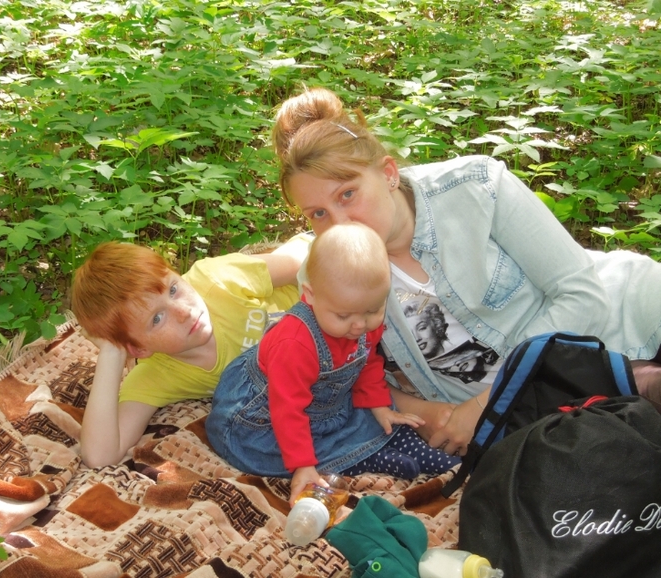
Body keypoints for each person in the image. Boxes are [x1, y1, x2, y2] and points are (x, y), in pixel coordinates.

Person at [270, 86, 661, 457]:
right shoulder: (326, 272)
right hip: (542, 412)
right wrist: (427, 413)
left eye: (347, 194)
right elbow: (339, 375)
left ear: (388, 173)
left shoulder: (475, 188)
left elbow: (581, 293)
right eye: (318, 213)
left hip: (626, 327)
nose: (339, 223)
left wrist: (486, 403)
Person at [205, 223, 460, 504]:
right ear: (310, 295)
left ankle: (392, 444)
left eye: (373, 310)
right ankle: (363, 458)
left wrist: (379, 407)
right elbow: (288, 410)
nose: (359, 325)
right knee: (275, 451)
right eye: (343, 316)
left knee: (378, 417)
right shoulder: (294, 344)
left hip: (324, 404)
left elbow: (366, 362)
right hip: (263, 416)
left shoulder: (359, 317)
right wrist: (303, 466)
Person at [71, 235, 311, 467]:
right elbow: (100, 456)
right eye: (157, 319)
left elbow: (302, 260)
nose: (183, 311)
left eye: (173, 289)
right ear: (139, 348)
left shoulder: (217, 279)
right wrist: (111, 352)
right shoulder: (158, 374)